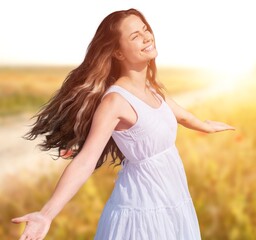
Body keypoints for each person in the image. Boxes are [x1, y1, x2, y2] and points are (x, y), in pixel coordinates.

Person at [10, 8, 235, 240]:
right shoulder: (115, 101)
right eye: (135, 36)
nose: (147, 37)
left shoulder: (151, 88)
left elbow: (181, 115)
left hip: (173, 201)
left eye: (145, 30)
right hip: (142, 214)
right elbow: (85, 161)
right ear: (117, 52)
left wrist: (206, 126)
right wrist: (46, 214)